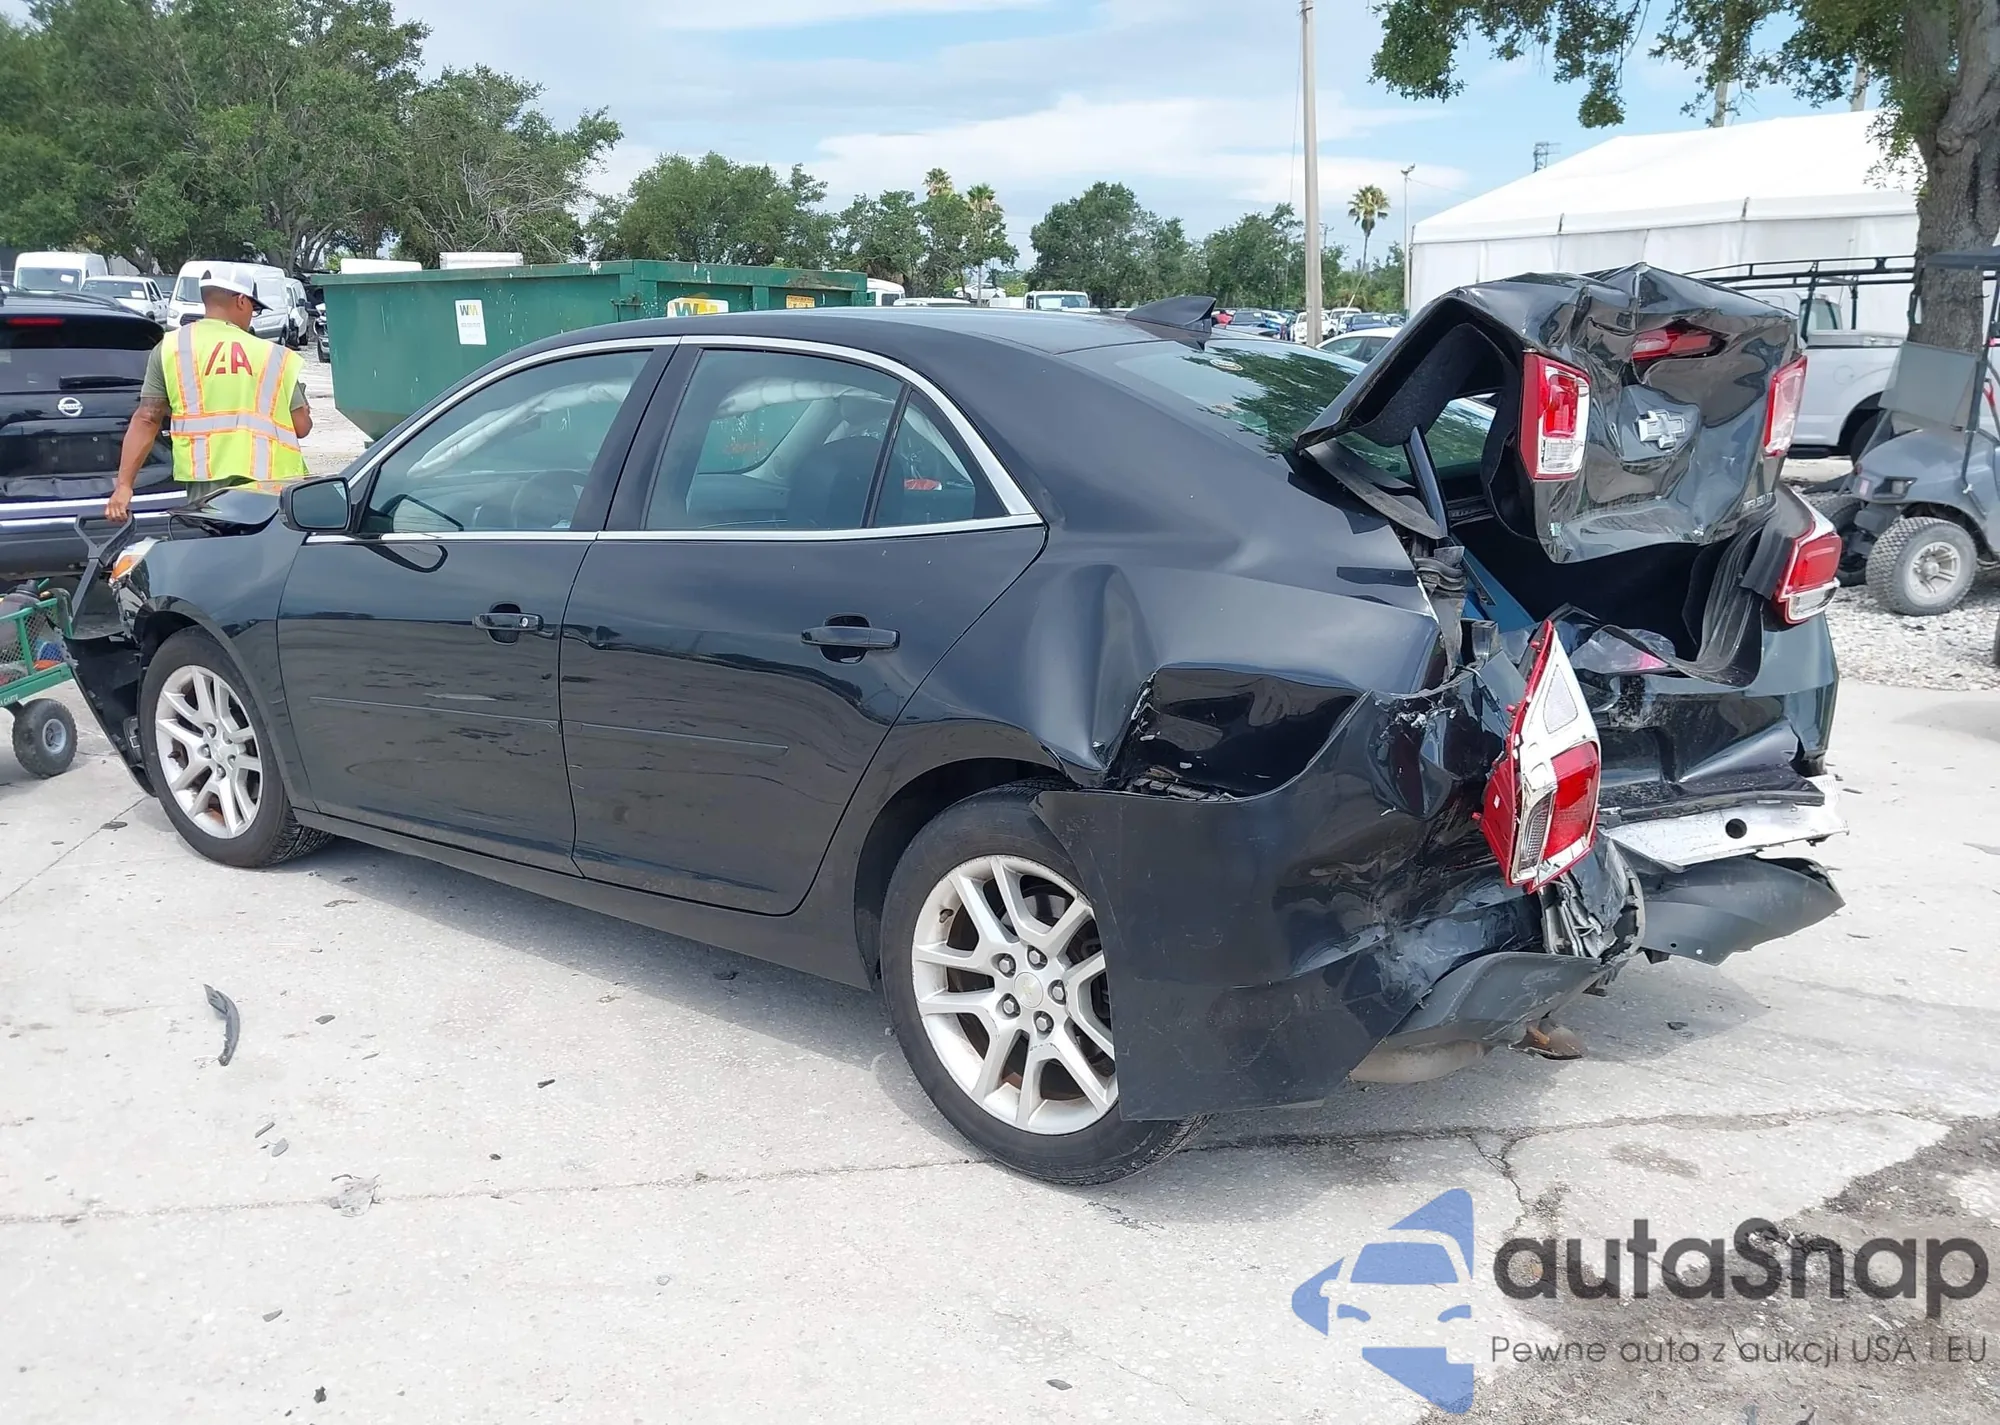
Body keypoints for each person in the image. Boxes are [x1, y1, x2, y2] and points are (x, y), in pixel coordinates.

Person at [104, 263, 313, 522]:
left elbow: (147, 418)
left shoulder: (171, 348)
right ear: (241, 301)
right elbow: (301, 426)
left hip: (206, 488)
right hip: (272, 486)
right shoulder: (272, 355)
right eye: (254, 307)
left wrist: (124, 485)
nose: (252, 315)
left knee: (213, 545)